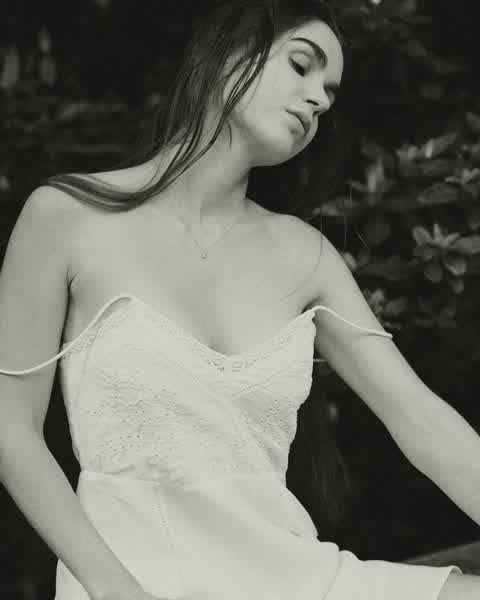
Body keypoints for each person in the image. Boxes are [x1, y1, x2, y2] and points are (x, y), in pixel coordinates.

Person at [0, 1, 479, 599]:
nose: (318, 99)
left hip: (298, 579)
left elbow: (423, 423)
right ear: (227, 57)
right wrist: (113, 587)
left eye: (329, 93)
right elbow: (11, 429)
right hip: (128, 581)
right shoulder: (67, 215)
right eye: (301, 66)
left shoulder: (306, 254)